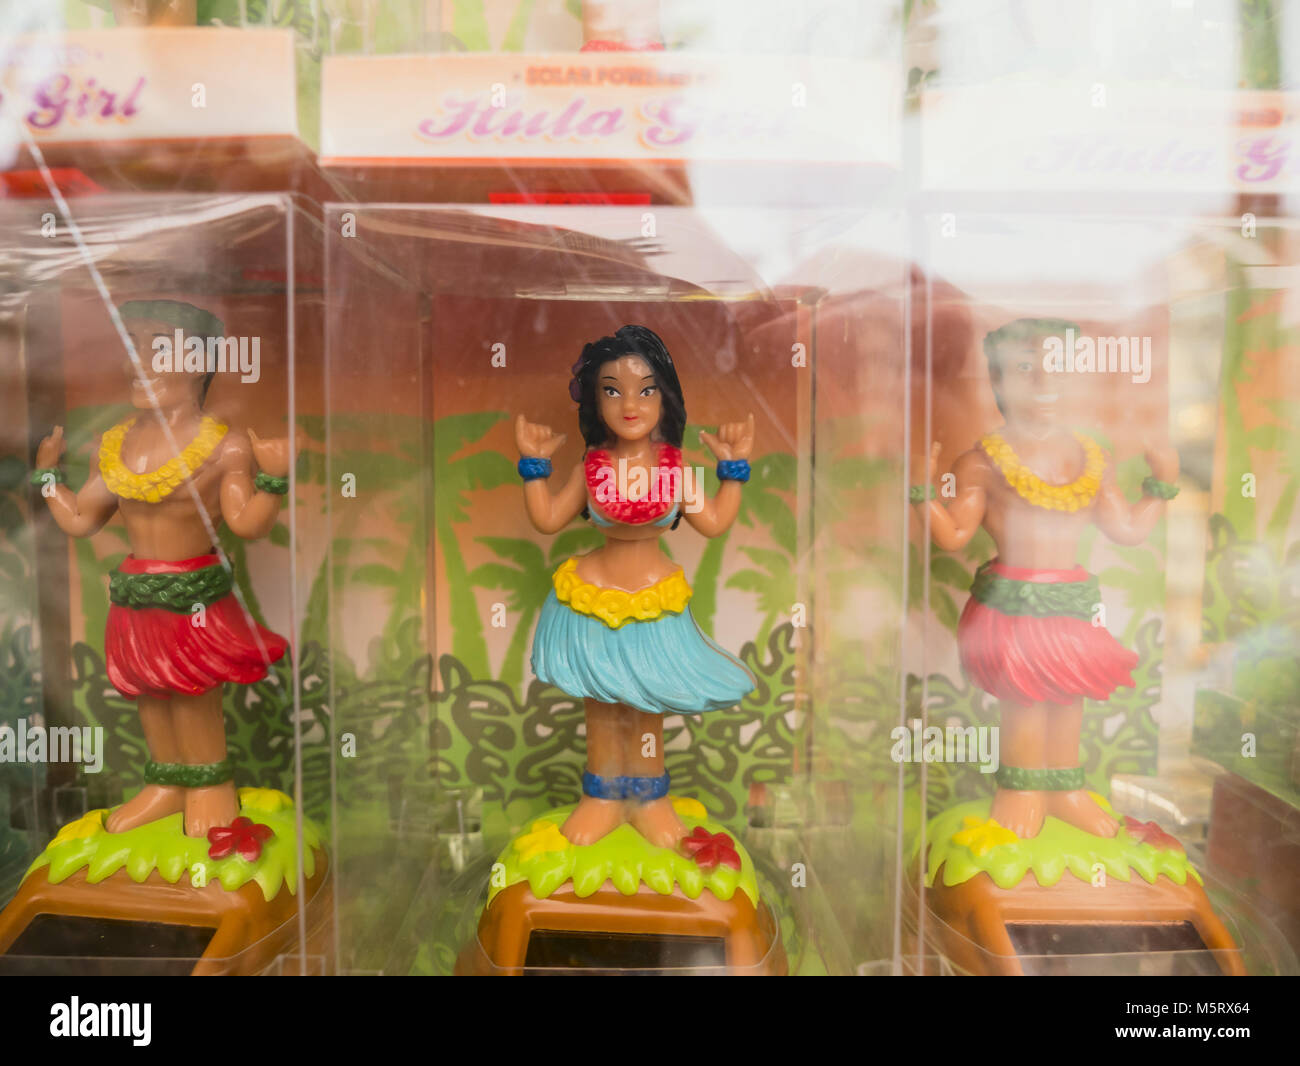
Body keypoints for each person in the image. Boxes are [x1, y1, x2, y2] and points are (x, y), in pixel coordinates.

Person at [32, 299, 293, 837]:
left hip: (192, 600)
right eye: (131, 347)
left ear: (198, 361)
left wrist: (273, 480)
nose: (136, 362)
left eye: (155, 348)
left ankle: (211, 786)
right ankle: (167, 784)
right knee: (149, 693)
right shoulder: (116, 444)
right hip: (135, 599)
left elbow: (246, 522)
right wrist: (46, 478)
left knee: (192, 693)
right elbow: (81, 519)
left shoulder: (225, 447)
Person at [913, 317, 1179, 839]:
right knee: (1028, 701)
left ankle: (1064, 788)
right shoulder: (983, 462)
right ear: (997, 383)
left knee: (1068, 698)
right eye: (1025, 371)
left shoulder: (1091, 458)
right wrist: (923, 494)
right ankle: (1021, 789)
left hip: (1071, 602)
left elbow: (1125, 528)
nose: (1044, 385)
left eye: (1058, 369)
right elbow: (954, 534)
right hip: (1014, 606)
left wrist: (1162, 485)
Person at [516, 324, 755, 847]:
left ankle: (648, 797)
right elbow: (549, 518)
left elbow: (713, 522)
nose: (630, 404)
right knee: (601, 707)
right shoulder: (592, 465)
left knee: (647, 706)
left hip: (652, 603)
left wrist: (732, 469)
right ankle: (601, 796)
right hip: (592, 600)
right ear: (595, 400)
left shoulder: (675, 469)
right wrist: (534, 466)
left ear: (664, 395)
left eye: (646, 389)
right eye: (612, 390)